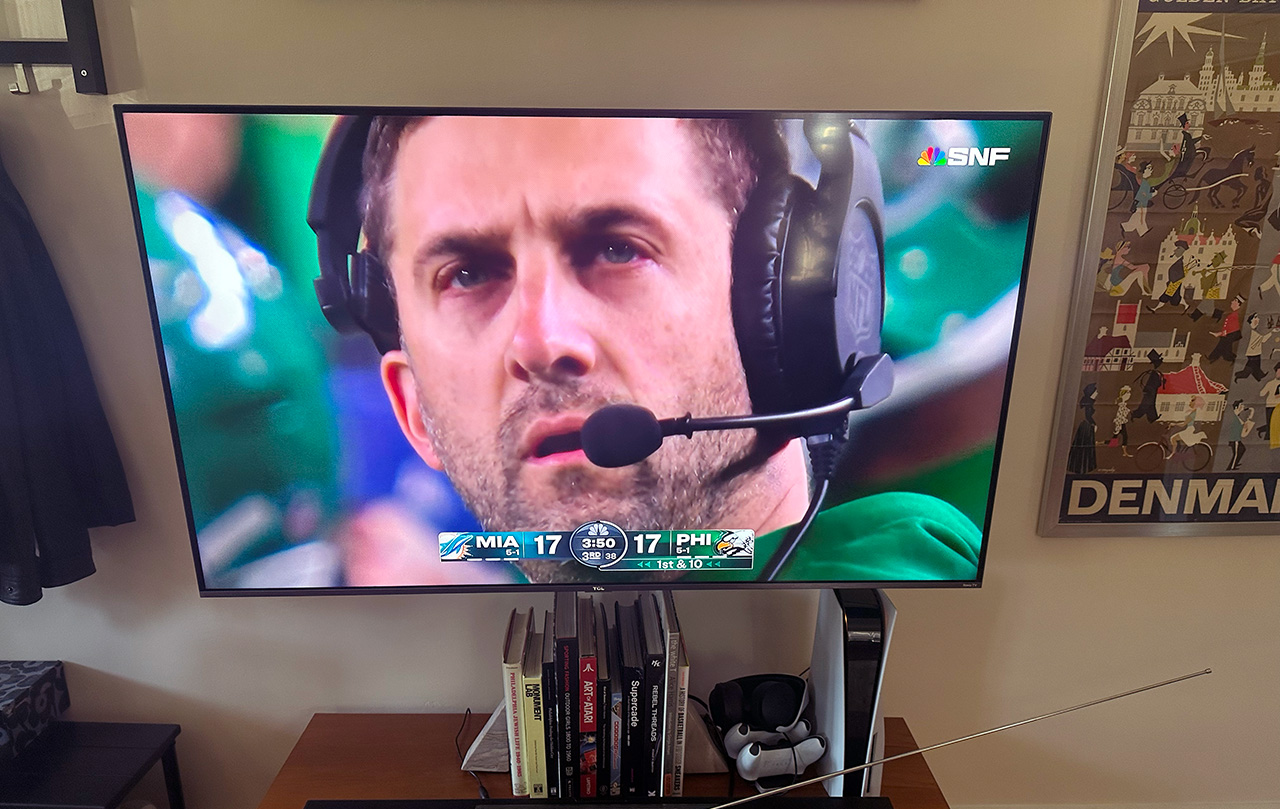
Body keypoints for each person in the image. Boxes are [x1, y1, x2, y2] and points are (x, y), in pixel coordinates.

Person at [357, 115, 982, 583]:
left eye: (617, 249)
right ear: (415, 412)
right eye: (467, 275)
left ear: (789, 317)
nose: (541, 341)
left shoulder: (892, 588)